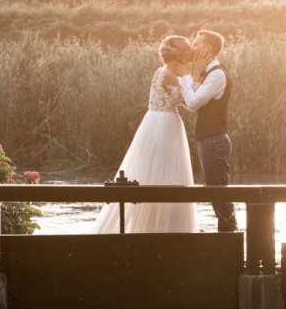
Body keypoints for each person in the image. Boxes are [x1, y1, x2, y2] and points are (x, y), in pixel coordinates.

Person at [93, 36, 198, 233]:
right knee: (165, 172)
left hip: (153, 121)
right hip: (165, 125)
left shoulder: (161, 71)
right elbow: (189, 102)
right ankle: (163, 230)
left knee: (154, 171)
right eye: (188, 49)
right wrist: (191, 76)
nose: (192, 51)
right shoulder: (170, 75)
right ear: (180, 54)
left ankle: (153, 227)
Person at [167, 30, 238, 232]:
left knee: (219, 195)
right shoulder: (207, 72)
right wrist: (195, 75)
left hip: (214, 140)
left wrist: (187, 75)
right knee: (217, 194)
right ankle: (227, 239)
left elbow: (192, 102)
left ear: (208, 48)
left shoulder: (217, 74)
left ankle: (229, 241)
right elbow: (195, 102)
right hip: (209, 139)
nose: (192, 47)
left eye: (196, 43)